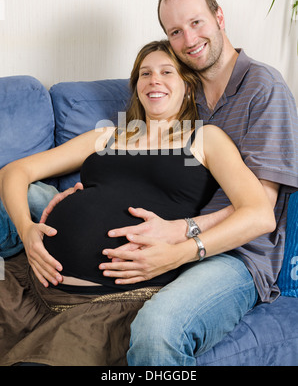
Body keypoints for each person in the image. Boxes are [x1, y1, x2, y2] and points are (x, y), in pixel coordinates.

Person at [0, 40, 274, 366]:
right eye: (145, 73)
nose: (154, 80)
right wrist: (27, 229)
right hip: (33, 282)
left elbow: (258, 212)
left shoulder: (203, 138)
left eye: (166, 72)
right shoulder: (108, 136)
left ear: (188, 86)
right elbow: (17, 171)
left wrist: (188, 245)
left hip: (110, 303)